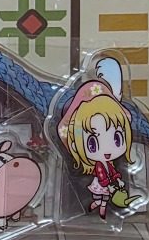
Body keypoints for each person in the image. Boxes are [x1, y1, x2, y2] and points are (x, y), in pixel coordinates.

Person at [57, 57, 135, 219]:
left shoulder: (111, 162)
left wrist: (117, 180)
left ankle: (99, 207)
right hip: (97, 184)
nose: (106, 150)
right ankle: (98, 207)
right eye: (92, 143)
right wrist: (111, 185)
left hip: (104, 187)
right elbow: (102, 175)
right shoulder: (97, 165)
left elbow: (113, 172)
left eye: (117, 139)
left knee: (102, 199)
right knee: (101, 197)